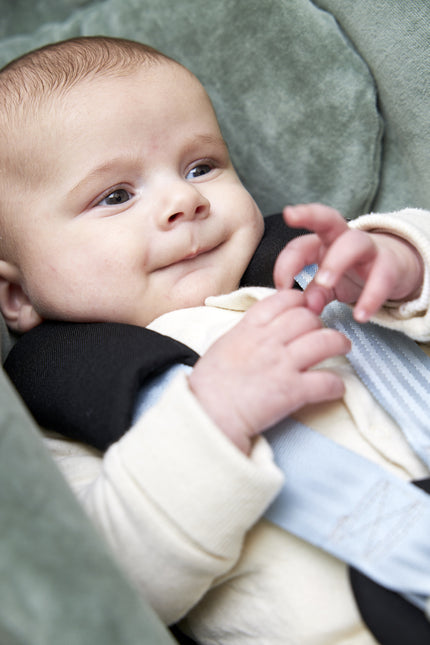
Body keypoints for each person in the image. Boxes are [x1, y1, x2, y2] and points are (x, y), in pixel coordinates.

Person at [1, 36, 430, 644]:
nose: (185, 199)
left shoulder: (317, 264)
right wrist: (211, 421)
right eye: (115, 196)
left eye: (201, 166)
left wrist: (404, 261)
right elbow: (111, 586)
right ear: (15, 297)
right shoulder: (60, 416)